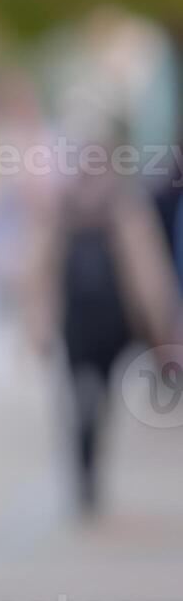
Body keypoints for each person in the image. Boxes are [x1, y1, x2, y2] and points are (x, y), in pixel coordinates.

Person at [34, 122, 179, 518]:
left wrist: (39, 326)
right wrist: (161, 327)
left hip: (79, 323)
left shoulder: (67, 205)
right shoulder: (123, 203)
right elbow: (150, 273)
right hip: (111, 322)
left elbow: (36, 272)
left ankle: (84, 466)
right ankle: (88, 465)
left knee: (82, 393)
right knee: (97, 397)